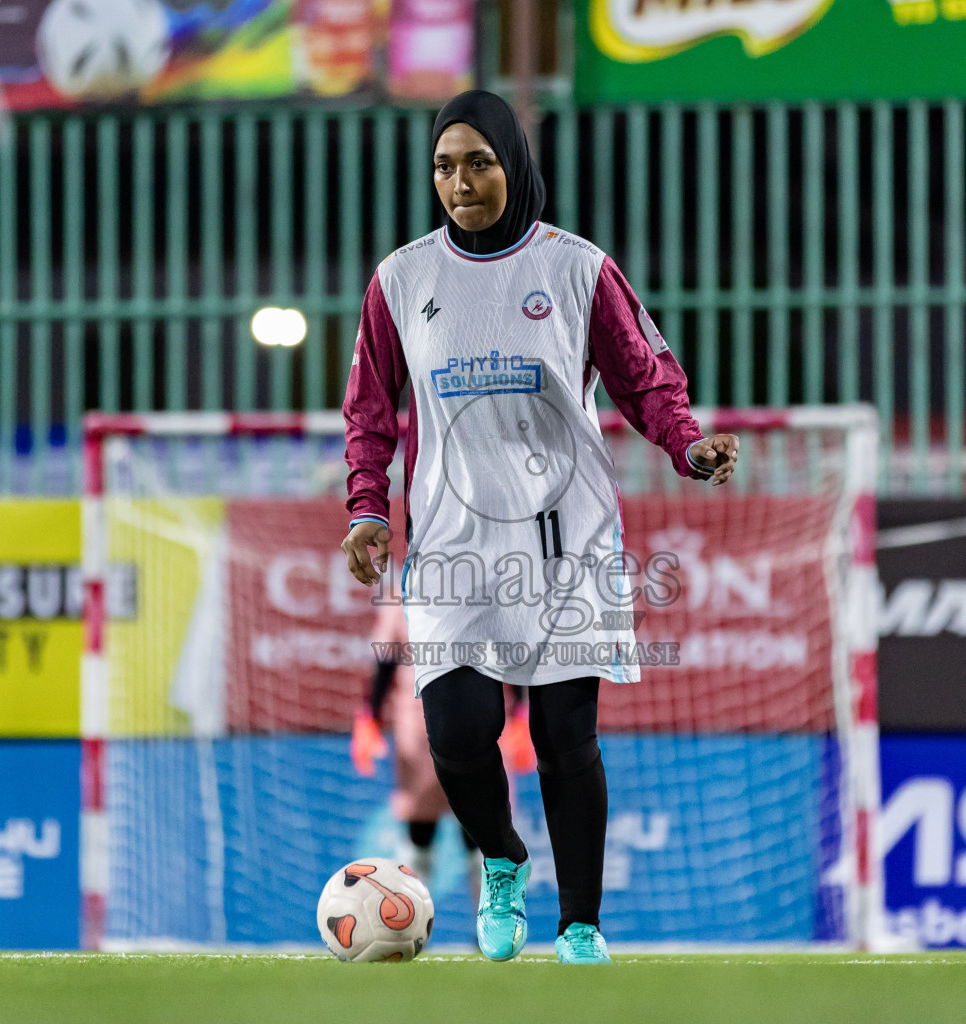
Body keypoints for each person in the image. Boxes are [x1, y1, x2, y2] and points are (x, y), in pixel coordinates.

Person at [340, 90, 738, 965]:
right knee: (455, 733)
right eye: (444, 166)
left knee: (564, 737)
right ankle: (503, 860)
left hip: (569, 541)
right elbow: (368, 410)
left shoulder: (576, 268)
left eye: (479, 163)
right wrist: (367, 507)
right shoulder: (402, 279)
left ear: (513, 164)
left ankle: (580, 924)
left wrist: (688, 444)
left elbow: (646, 380)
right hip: (450, 544)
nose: (460, 183)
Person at [352, 600, 536, 883]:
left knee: (484, 836)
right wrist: (370, 716)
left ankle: (488, 911)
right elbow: (386, 659)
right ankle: (412, 909)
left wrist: (522, 714)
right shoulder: (405, 592)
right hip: (421, 726)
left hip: (480, 722)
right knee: (419, 834)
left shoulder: (491, 588)